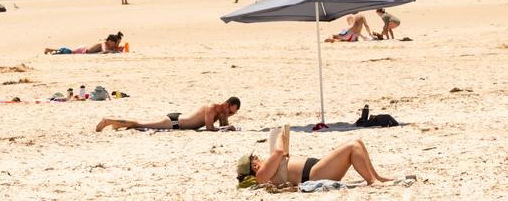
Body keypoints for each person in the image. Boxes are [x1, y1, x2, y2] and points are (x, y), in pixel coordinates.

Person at [236, 135, 395, 187]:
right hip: (314, 174)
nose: (260, 158)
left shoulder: (267, 168)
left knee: (358, 143)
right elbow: (278, 151)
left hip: (317, 169)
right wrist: (279, 136)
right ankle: (372, 181)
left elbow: (281, 154)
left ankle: (377, 177)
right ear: (254, 166)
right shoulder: (261, 175)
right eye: (257, 158)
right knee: (353, 146)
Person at [96, 97, 241, 132]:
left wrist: (226, 119)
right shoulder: (211, 107)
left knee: (140, 124)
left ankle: (116, 124)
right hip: (175, 122)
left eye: (232, 114)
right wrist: (227, 127)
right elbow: (210, 128)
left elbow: (224, 126)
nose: (229, 114)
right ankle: (108, 120)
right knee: (139, 123)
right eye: (230, 111)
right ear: (226, 104)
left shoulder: (221, 112)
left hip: (179, 120)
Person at [44, 32, 124, 55]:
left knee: (69, 52)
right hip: (83, 50)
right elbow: (105, 51)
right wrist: (115, 51)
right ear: (109, 41)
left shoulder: (107, 43)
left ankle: (50, 50)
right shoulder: (103, 43)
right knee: (69, 52)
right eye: (113, 43)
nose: (113, 45)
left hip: (84, 49)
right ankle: (49, 49)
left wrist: (118, 49)